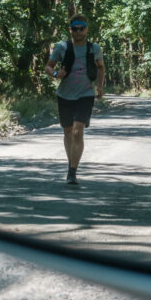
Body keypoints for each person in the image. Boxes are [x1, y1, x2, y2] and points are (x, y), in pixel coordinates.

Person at [45, 16, 105, 185]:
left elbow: (101, 68)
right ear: (70, 29)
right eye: (75, 28)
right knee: (68, 131)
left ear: (87, 29)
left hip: (86, 94)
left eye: (82, 27)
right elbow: (48, 67)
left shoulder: (94, 49)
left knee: (78, 131)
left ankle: (72, 171)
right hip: (64, 95)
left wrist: (99, 87)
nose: (79, 31)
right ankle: (71, 164)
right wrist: (56, 74)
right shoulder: (62, 47)